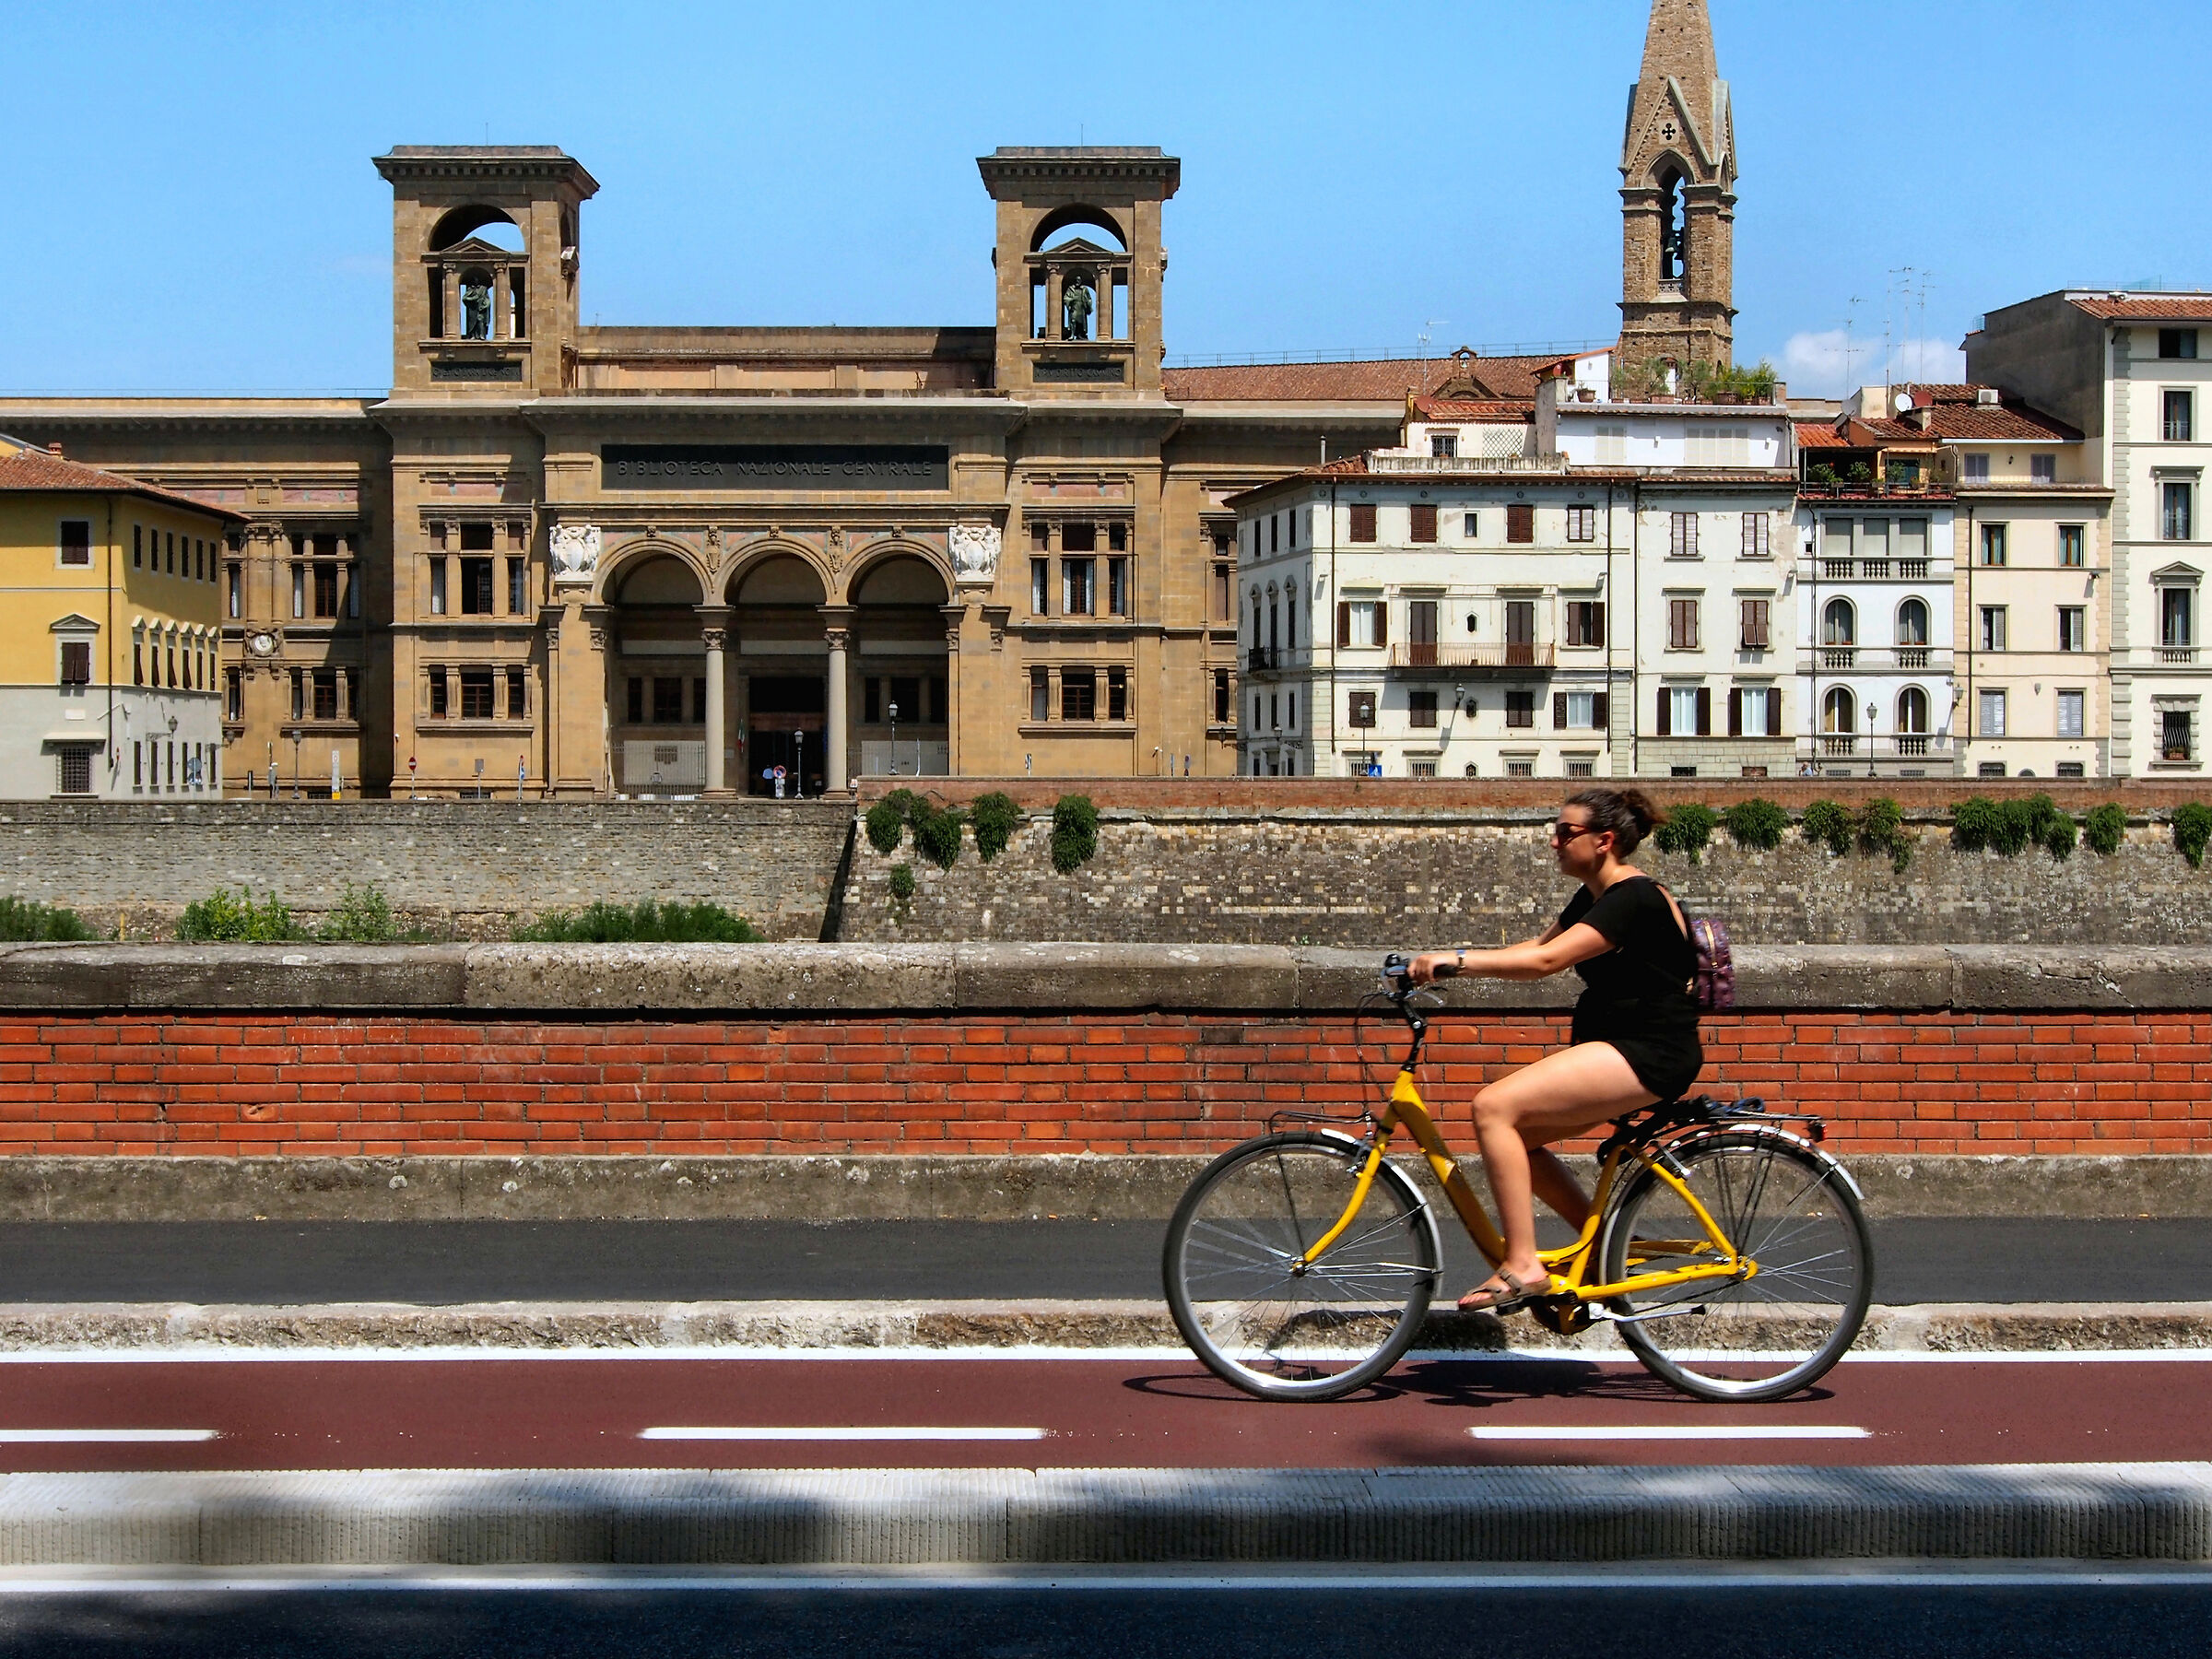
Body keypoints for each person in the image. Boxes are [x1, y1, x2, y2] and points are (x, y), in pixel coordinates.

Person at [1404, 787, 1701, 1313]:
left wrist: (1457, 960)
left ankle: (1522, 1264)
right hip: (1619, 1044)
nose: (1554, 842)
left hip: (1647, 1049)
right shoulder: (1596, 897)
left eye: (1566, 833)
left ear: (1604, 841)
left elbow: (1548, 964)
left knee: (1493, 1107)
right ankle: (1606, 1244)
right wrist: (1448, 960)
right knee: (1517, 1135)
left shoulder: (1634, 897)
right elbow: (1534, 949)